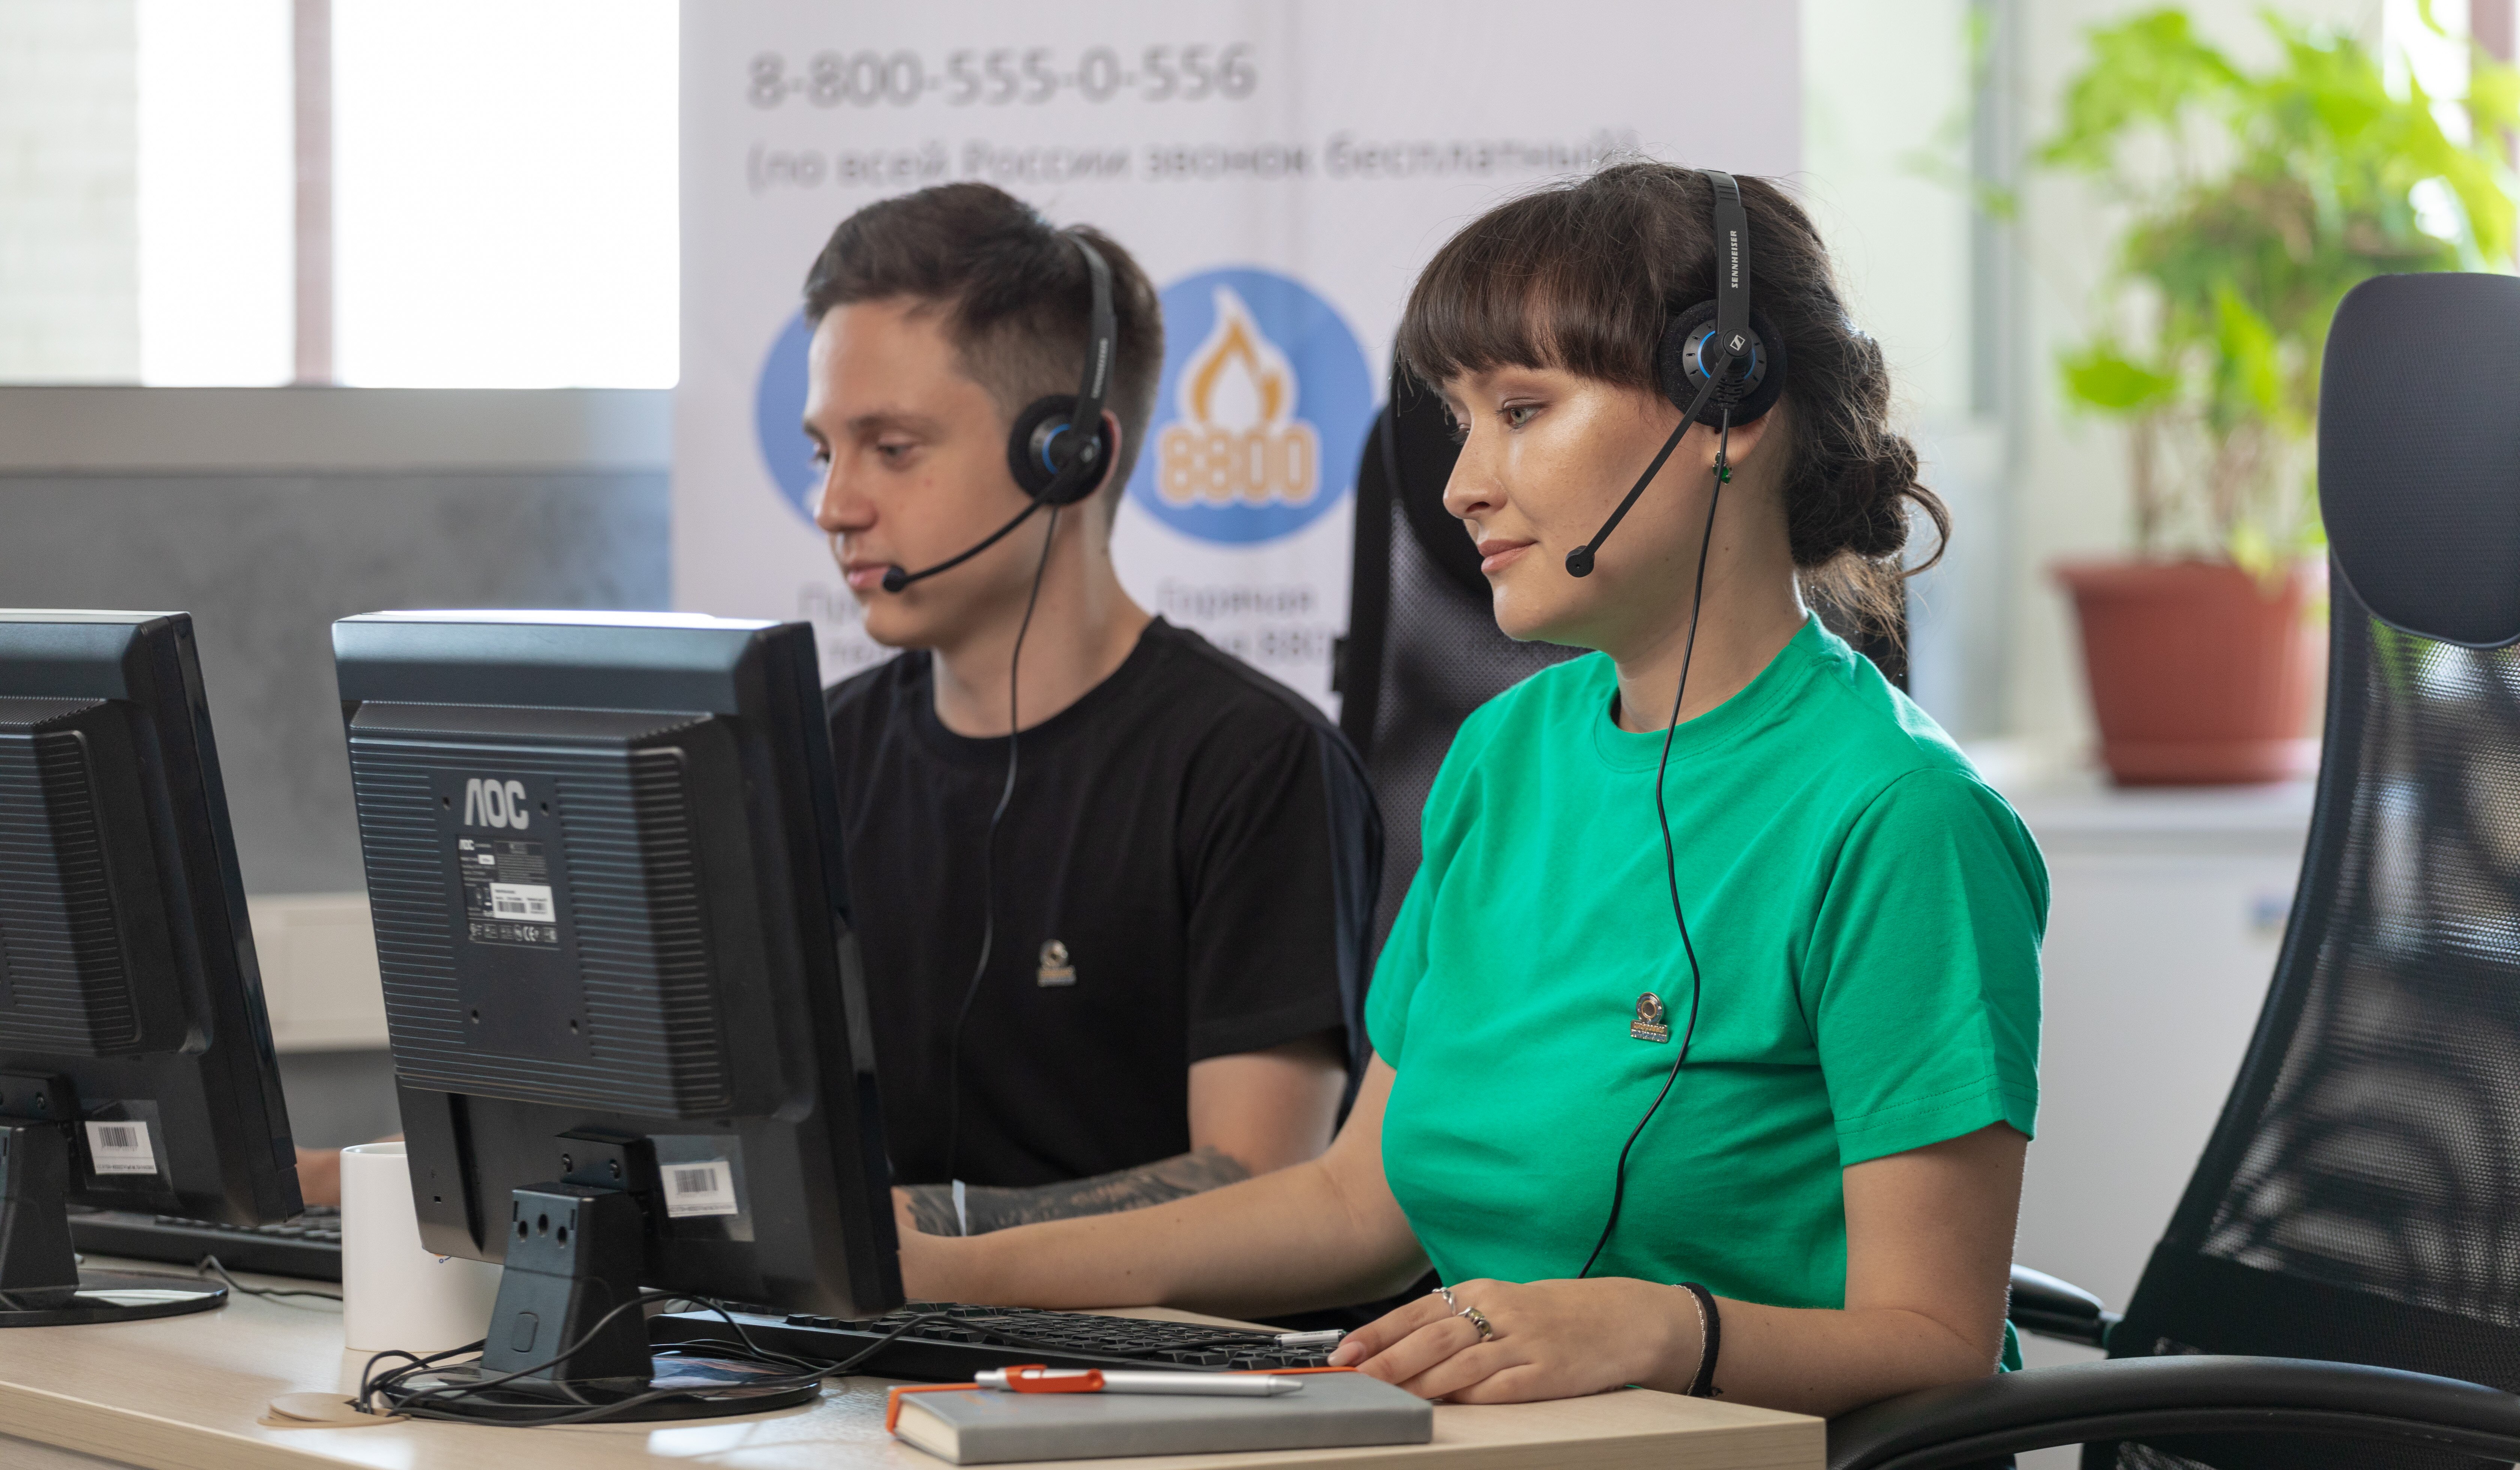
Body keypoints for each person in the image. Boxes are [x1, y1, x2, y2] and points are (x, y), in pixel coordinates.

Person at [894, 162, 2049, 1419]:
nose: (1460, 487)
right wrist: (947, 1272)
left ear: (1726, 398)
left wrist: (1662, 1328)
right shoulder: (1505, 755)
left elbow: (1938, 1342)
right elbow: (1358, 1205)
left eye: (1521, 410)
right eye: (1462, 422)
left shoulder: (1902, 819)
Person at [802, 183, 1380, 1236]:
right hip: (856, 1333)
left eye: (891, 448)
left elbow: (1257, 1183)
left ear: (1067, 457)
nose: (835, 506)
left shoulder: (1255, 765)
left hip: (1157, 1341)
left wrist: (924, 1237)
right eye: (823, 452)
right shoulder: (810, 756)